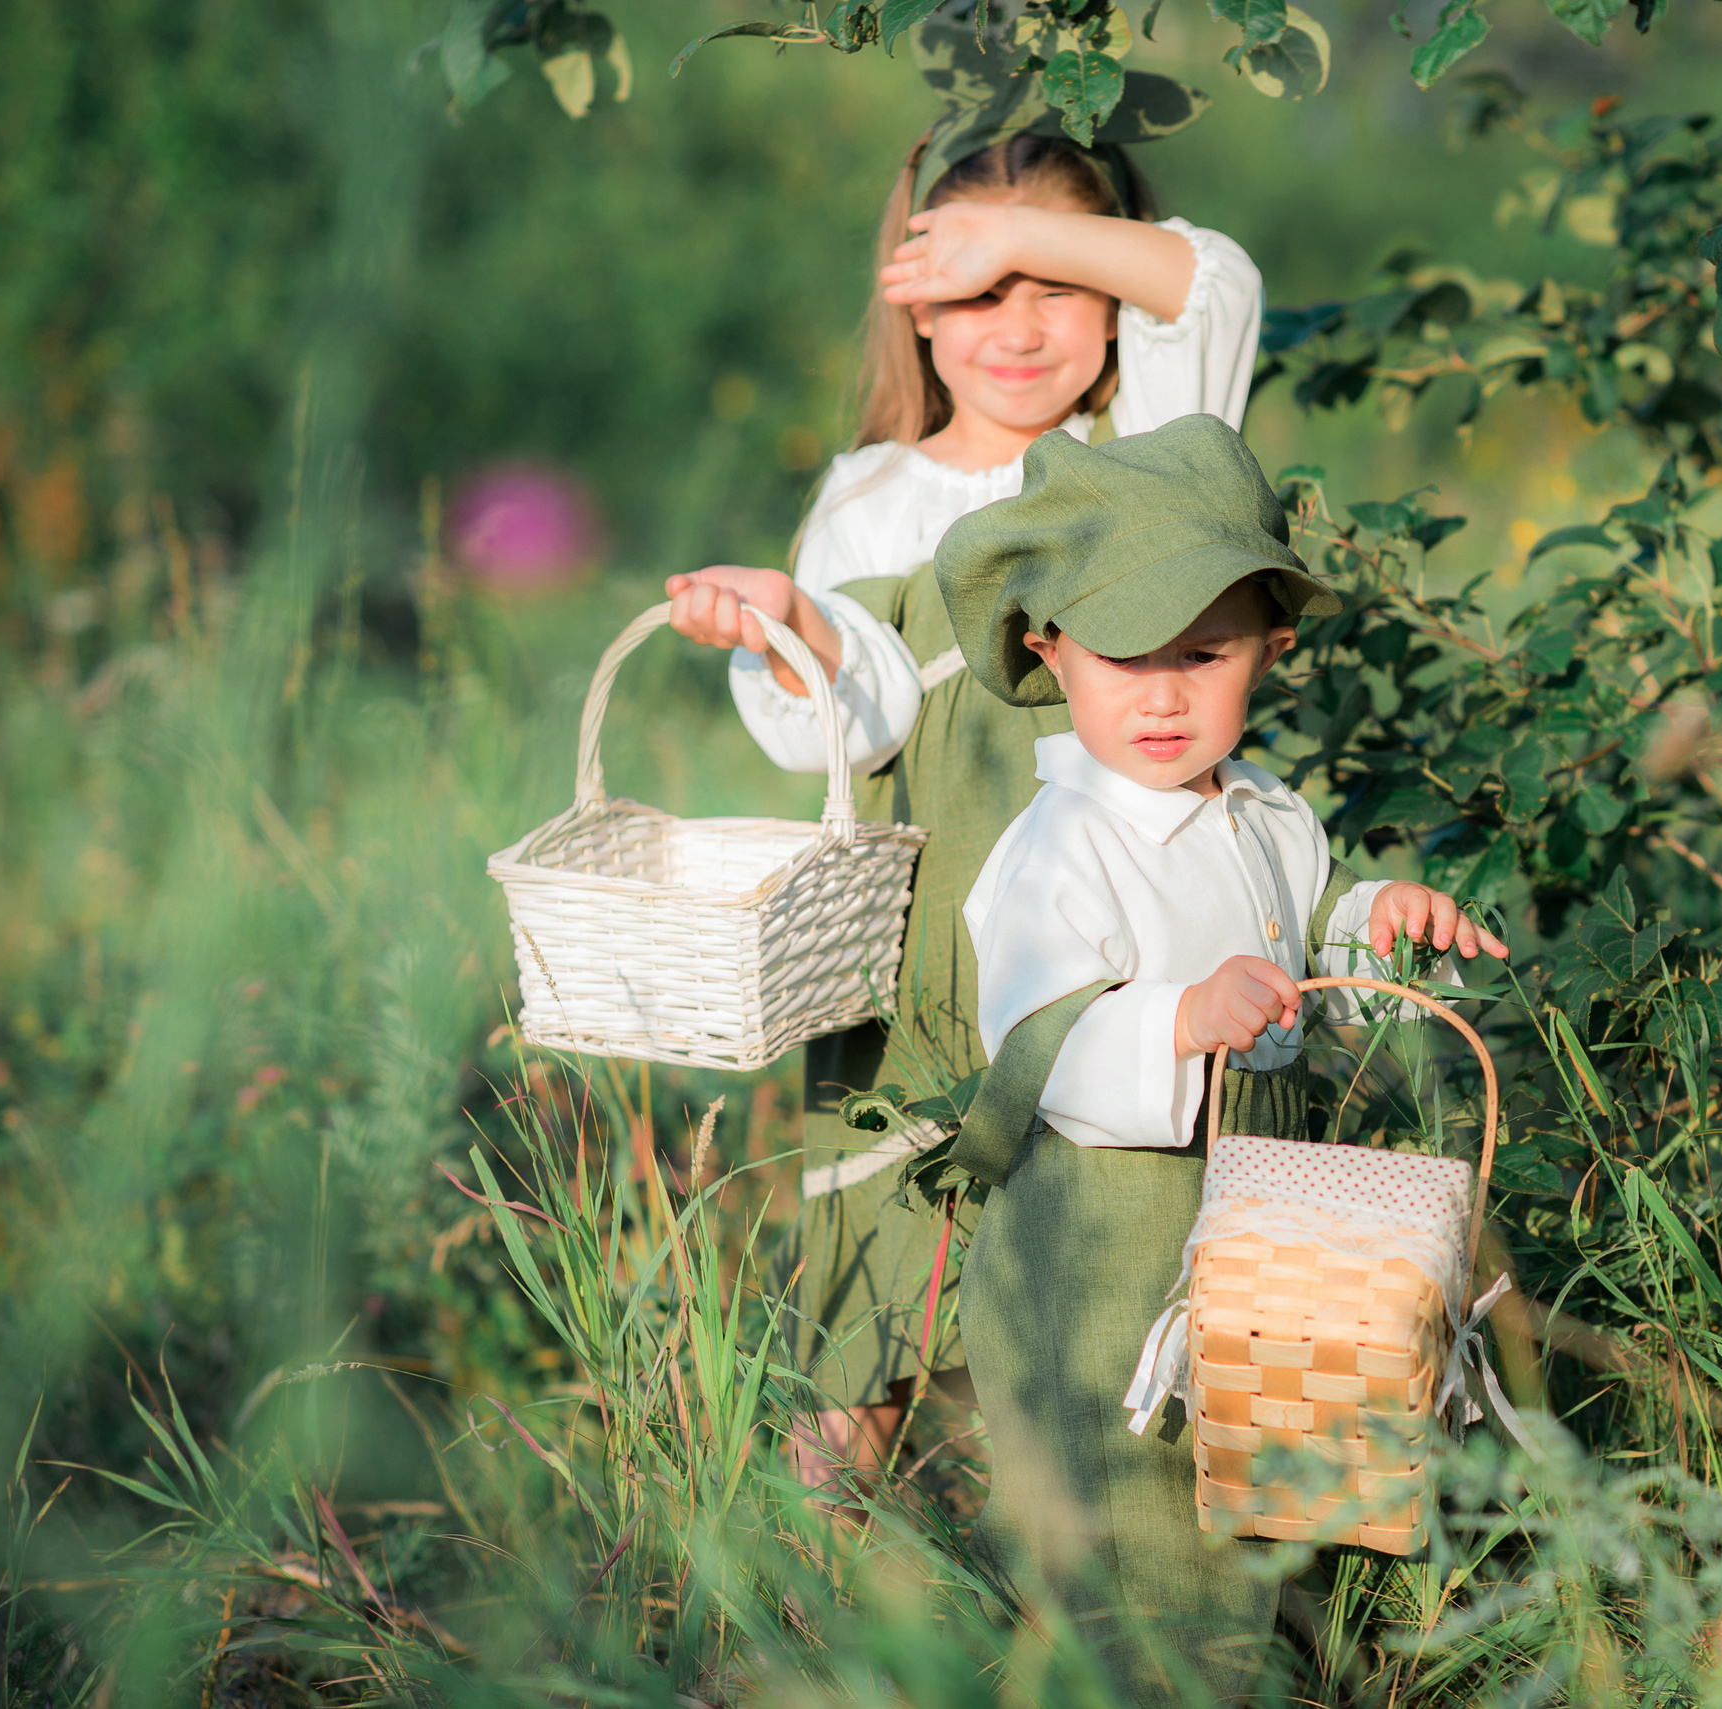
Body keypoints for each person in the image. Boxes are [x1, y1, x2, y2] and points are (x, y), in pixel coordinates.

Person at [659, 19, 1263, 1491]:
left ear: (1115, 302)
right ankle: (790, 1606)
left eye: (1057, 282)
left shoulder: (1152, 454)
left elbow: (1220, 285)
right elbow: (842, 719)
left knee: (1118, 1273)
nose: (1018, 318)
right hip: (924, 970)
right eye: (976, 286)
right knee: (871, 1296)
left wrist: (1009, 220)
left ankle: (1111, 1589)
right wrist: (784, 622)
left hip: (1129, 947)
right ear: (915, 315)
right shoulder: (873, 502)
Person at [936, 415, 1507, 1704]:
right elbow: (1032, 1048)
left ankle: (1262, 1665)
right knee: (1134, 1493)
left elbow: (1307, 961)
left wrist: (1377, 923)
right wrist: (1177, 1017)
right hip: (1104, 1244)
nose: (1161, 695)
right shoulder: (1059, 845)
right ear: (1049, 650)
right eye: (1121, 656)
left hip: (1258, 1212)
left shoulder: (1268, 814)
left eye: (1203, 654)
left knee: (1259, 1458)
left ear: (1271, 650)